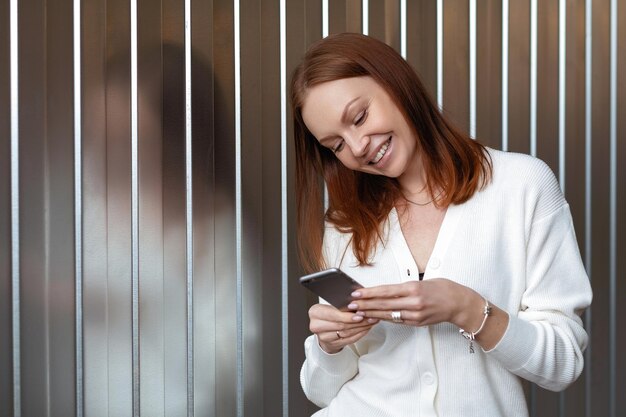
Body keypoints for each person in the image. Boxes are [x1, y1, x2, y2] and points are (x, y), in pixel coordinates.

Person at [290, 32, 592, 417]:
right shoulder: (346, 224)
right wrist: (328, 346)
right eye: (336, 145)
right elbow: (321, 391)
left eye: (360, 117)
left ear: (395, 83)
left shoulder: (522, 186)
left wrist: (466, 309)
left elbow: (563, 363)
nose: (358, 146)